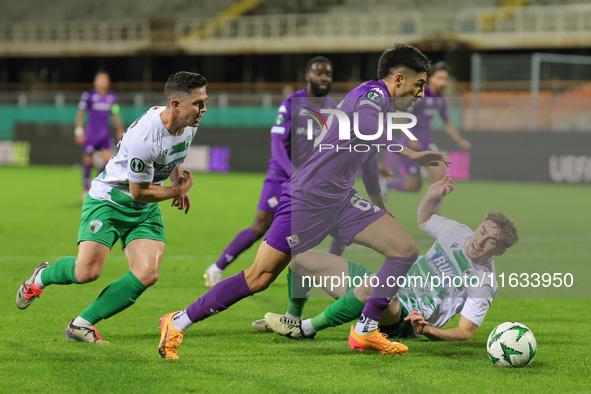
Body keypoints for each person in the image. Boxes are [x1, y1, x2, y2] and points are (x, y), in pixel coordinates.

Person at [158, 44, 451, 359]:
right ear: (397, 80)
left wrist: (378, 202)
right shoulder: (374, 96)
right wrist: (411, 153)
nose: (421, 93)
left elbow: (365, 154)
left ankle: (365, 330)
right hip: (307, 201)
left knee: (405, 249)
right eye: (418, 85)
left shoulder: (380, 105)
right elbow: (367, 130)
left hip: (340, 200)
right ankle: (177, 322)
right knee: (258, 278)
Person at [16, 71, 207, 343]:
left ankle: (81, 325)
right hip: (109, 201)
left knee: (148, 273)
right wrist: (176, 190)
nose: (204, 109)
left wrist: (176, 182)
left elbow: (173, 154)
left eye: (204, 101)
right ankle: (41, 276)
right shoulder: (144, 137)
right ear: (176, 105)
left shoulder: (188, 123)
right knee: (87, 272)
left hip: (143, 208)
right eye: (198, 103)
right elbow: (138, 191)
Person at [261, 175, 519, 342]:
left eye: (491, 241)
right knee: (299, 259)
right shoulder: (458, 232)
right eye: (482, 231)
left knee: (376, 284)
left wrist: (428, 329)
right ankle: (292, 317)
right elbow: (425, 219)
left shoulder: (483, 283)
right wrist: (431, 194)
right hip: (385, 285)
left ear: (499, 251)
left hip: (403, 318)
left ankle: (304, 329)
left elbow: (466, 332)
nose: (479, 241)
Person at [203, 56, 336, 287]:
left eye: (328, 74)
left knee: (306, 233)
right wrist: (293, 172)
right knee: (260, 225)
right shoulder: (292, 103)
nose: (323, 78)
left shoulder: (333, 108)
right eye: (318, 73)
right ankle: (217, 268)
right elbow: (276, 143)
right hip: (282, 176)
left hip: (310, 181)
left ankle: (302, 295)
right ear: (307, 76)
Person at [384, 61, 471, 195]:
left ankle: (433, 214)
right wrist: (410, 138)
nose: (443, 82)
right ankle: (386, 185)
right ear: (431, 79)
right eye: (439, 78)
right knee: (413, 186)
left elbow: (447, 123)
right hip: (410, 144)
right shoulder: (420, 94)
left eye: (445, 79)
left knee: (441, 181)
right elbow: (399, 115)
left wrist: (460, 141)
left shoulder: (440, 99)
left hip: (427, 142)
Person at [75, 71, 126, 198]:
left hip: (104, 134)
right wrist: (79, 130)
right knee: (87, 161)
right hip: (91, 133)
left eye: (105, 80)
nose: (103, 82)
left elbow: (115, 114)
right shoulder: (88, 96)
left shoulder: (112, 98)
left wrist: (120, 128)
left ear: (108, 83)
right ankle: (85, 190)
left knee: (108, 161)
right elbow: (80, 113)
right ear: (95, 82)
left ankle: (99, 188)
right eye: (100, 80)